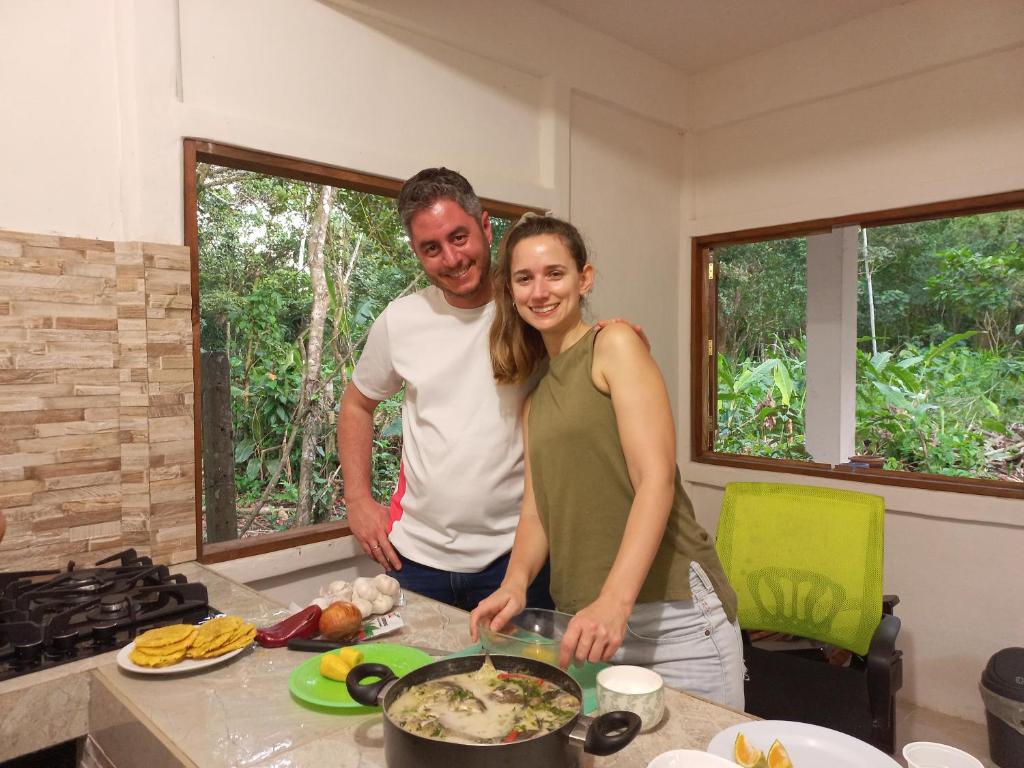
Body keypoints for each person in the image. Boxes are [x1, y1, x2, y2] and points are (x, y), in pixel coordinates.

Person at [469, 214, 745, 709]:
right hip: (587, 628)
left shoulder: (613, 345)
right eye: (524, 278)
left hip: (674, 618)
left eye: (555, 273)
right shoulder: (535, 399)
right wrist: (514, 583)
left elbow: (656, 479)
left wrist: (615, 602)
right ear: (510, 292)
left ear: (584, 278)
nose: (540, 291)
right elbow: (537, 512)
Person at [337, 167, 554, 611]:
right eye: (431, 248)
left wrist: (616, 339)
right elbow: (357, 404)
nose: (452, 259)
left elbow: (587, 348)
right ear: (416, 252)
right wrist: (358, 499)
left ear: (486, 226)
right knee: (405, 679)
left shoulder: (532, 309)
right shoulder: (401, 320)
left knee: (516, 682)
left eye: (459, 237)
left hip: (515, 560)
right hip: (414, 559)